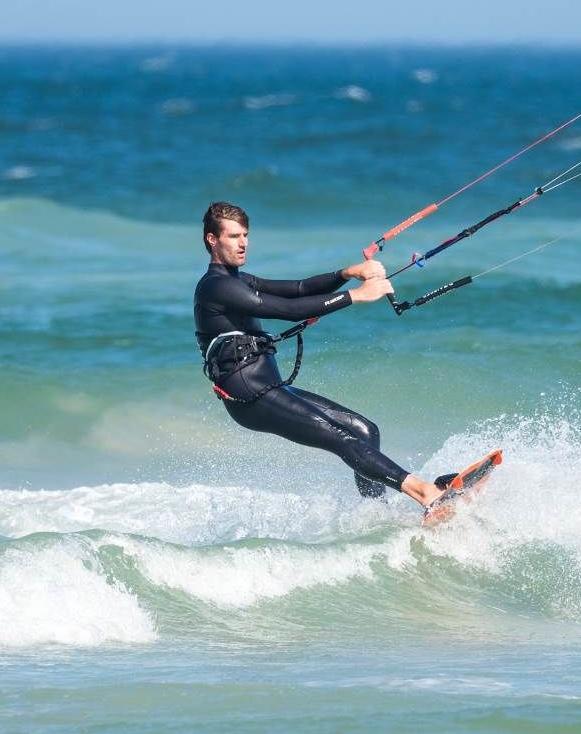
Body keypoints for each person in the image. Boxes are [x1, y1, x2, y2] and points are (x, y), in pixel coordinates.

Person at [193, 200, 455, 512]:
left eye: (245, 235)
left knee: (364, 431)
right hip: (248, 394)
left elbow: (299, 289)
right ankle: (426, 493)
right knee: (342, 438)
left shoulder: (239, 279)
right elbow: (288, 311)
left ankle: (376, 513)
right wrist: (355, 296)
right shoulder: (215, 286)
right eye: (234, 236)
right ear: (213, 239)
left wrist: (347, 273)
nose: (243, 243)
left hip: (267, 386)